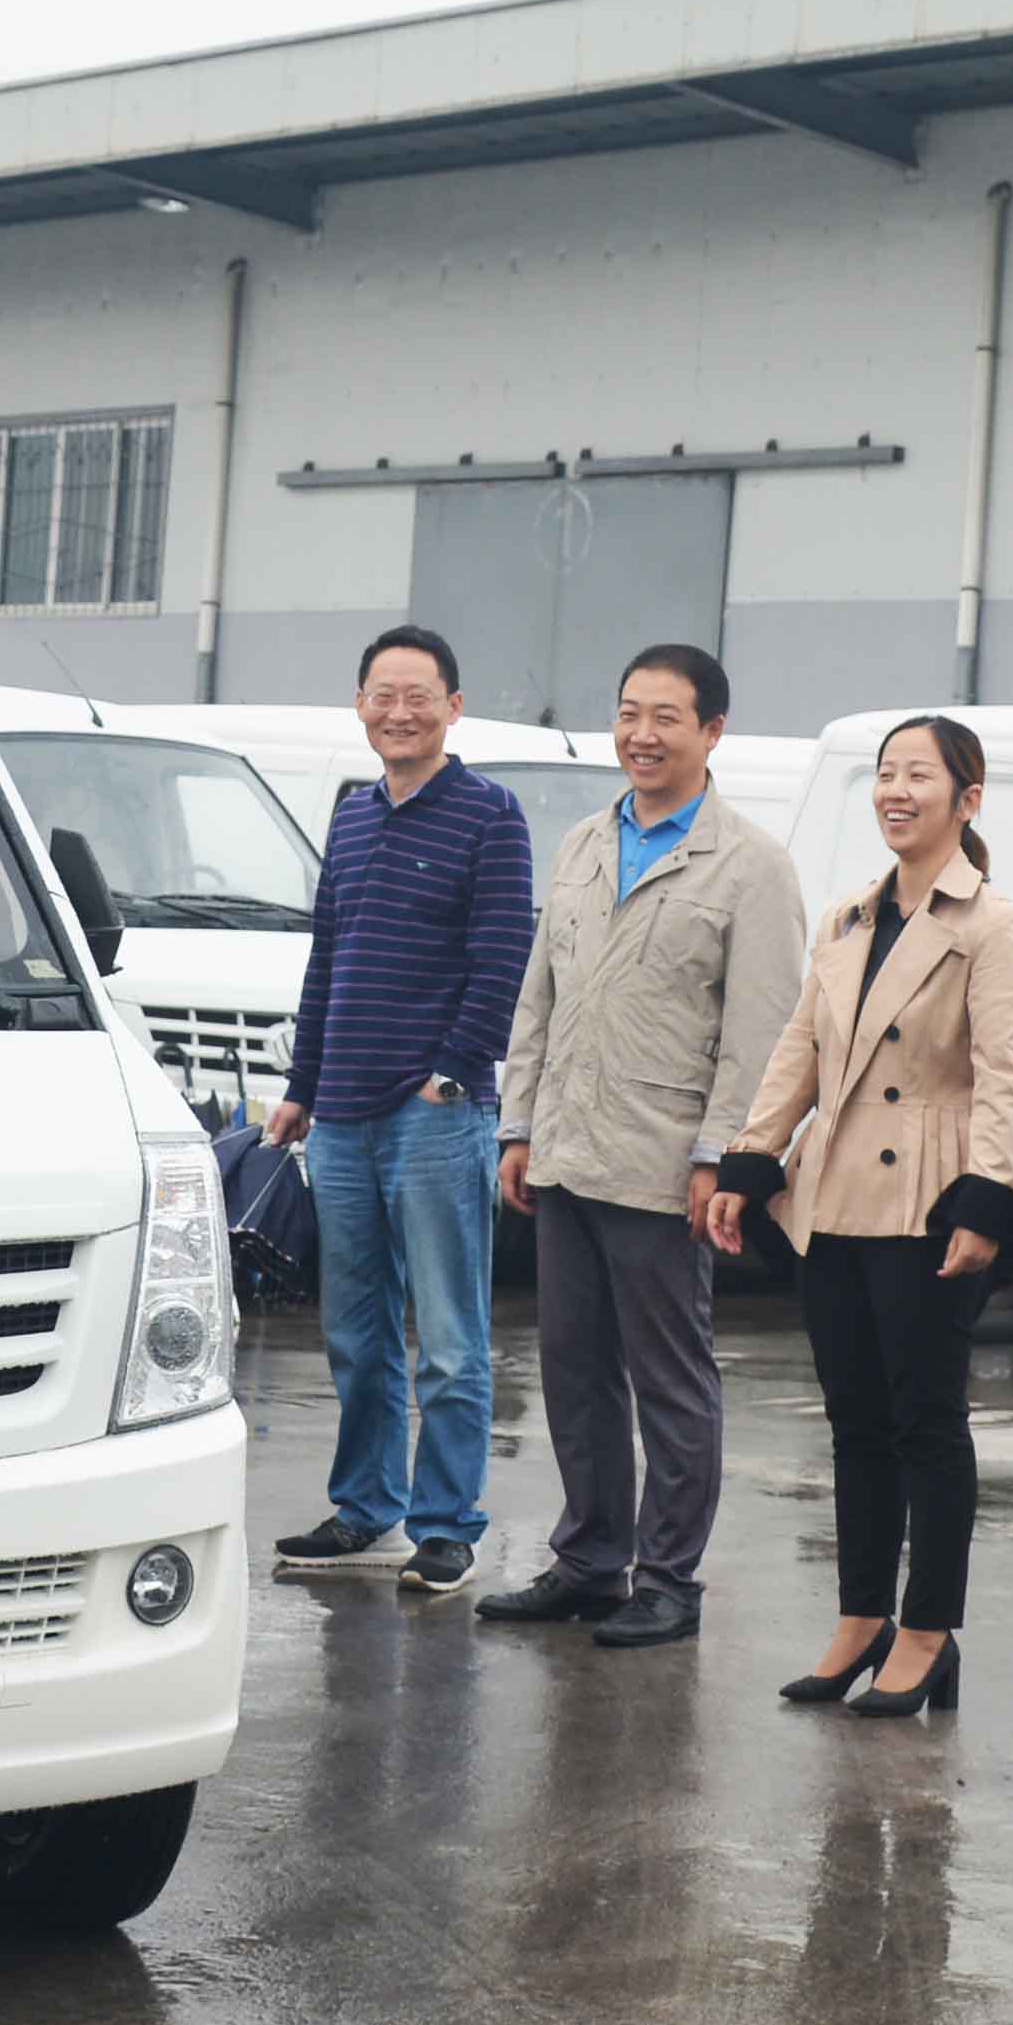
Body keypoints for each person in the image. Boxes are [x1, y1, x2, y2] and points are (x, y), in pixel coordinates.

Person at [700, 714, 1013, 1718]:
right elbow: (800, 1049)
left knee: (927, 1421)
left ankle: (927, 1631)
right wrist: (752, 1158)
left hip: (927, 1198)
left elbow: (1005, 1075)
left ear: (967, 799)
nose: (896, 791)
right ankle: (860, 1619)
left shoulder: (990, 924)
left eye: (918, 776)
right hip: (834, 1195)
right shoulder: (848, 917)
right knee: (854, 1421)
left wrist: (988, 1196)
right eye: (886, 774)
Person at [485, 643, 808, 1648]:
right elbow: (539, 996)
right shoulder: (585, 840)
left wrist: (723, 1156)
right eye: (629, 713)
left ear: (712, 732)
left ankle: (668, 1577)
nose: (642, 734)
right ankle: (589, 1559)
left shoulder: (751, 865)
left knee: (670, 1377)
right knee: (573, 1369)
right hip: (567, 1150)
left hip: (667, 1162)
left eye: (667, 717)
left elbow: (761, 1032)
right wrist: (518, 1124)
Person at [260, 625, 539, 1596]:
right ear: (360, 705)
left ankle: (447, 1524)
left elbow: (503, 957)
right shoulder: (351, 817)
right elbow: (328, 958)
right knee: (356, 1332)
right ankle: (365, 1507)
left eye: (420, 696)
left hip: (434, 1117)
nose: (400, 712)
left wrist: (453, 1074)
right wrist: (303, 1086)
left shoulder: (490, 815)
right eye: (383, 695)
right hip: (340, 1116)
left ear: (454, 708)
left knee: (450, 1340)